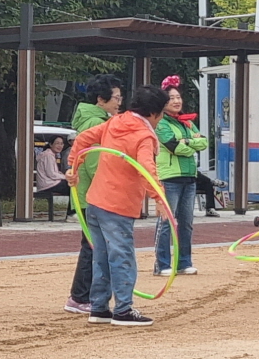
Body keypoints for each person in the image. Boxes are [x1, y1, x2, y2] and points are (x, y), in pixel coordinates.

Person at [68, 87, 168, 327]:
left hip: (96, 201)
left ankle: (100, 307)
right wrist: (159, 198)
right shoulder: (144, 135)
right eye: (162, 113)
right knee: (122, 256)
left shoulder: (115, 122)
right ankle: (123, 309)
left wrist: (73, 167)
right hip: (118, 205)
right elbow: (147, 167)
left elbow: (82, 139)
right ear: (154, 113)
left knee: (101, 257)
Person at [65, 74, 126, 315]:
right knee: (93, 247)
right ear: (101, 100)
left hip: (90, 193)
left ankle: (82, 296)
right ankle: (79, 297)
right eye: (116, 98)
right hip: (93, 195)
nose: (119, 103)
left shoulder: (96, 119)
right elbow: (94, 163)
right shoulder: (95, 124)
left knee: (92, 245)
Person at [153, 79, 210, 277]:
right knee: (167, 222)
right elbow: (174, 146)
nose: (176, 101)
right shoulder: (161, 123)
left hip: (189, 177)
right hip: (169, 177)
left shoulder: (188, 122)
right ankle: (162, 264)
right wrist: (189, 142)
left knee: (186, 222)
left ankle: (184, 262)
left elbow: (203, 142)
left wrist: (186, 142)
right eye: (171, 98)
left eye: (178, 97)